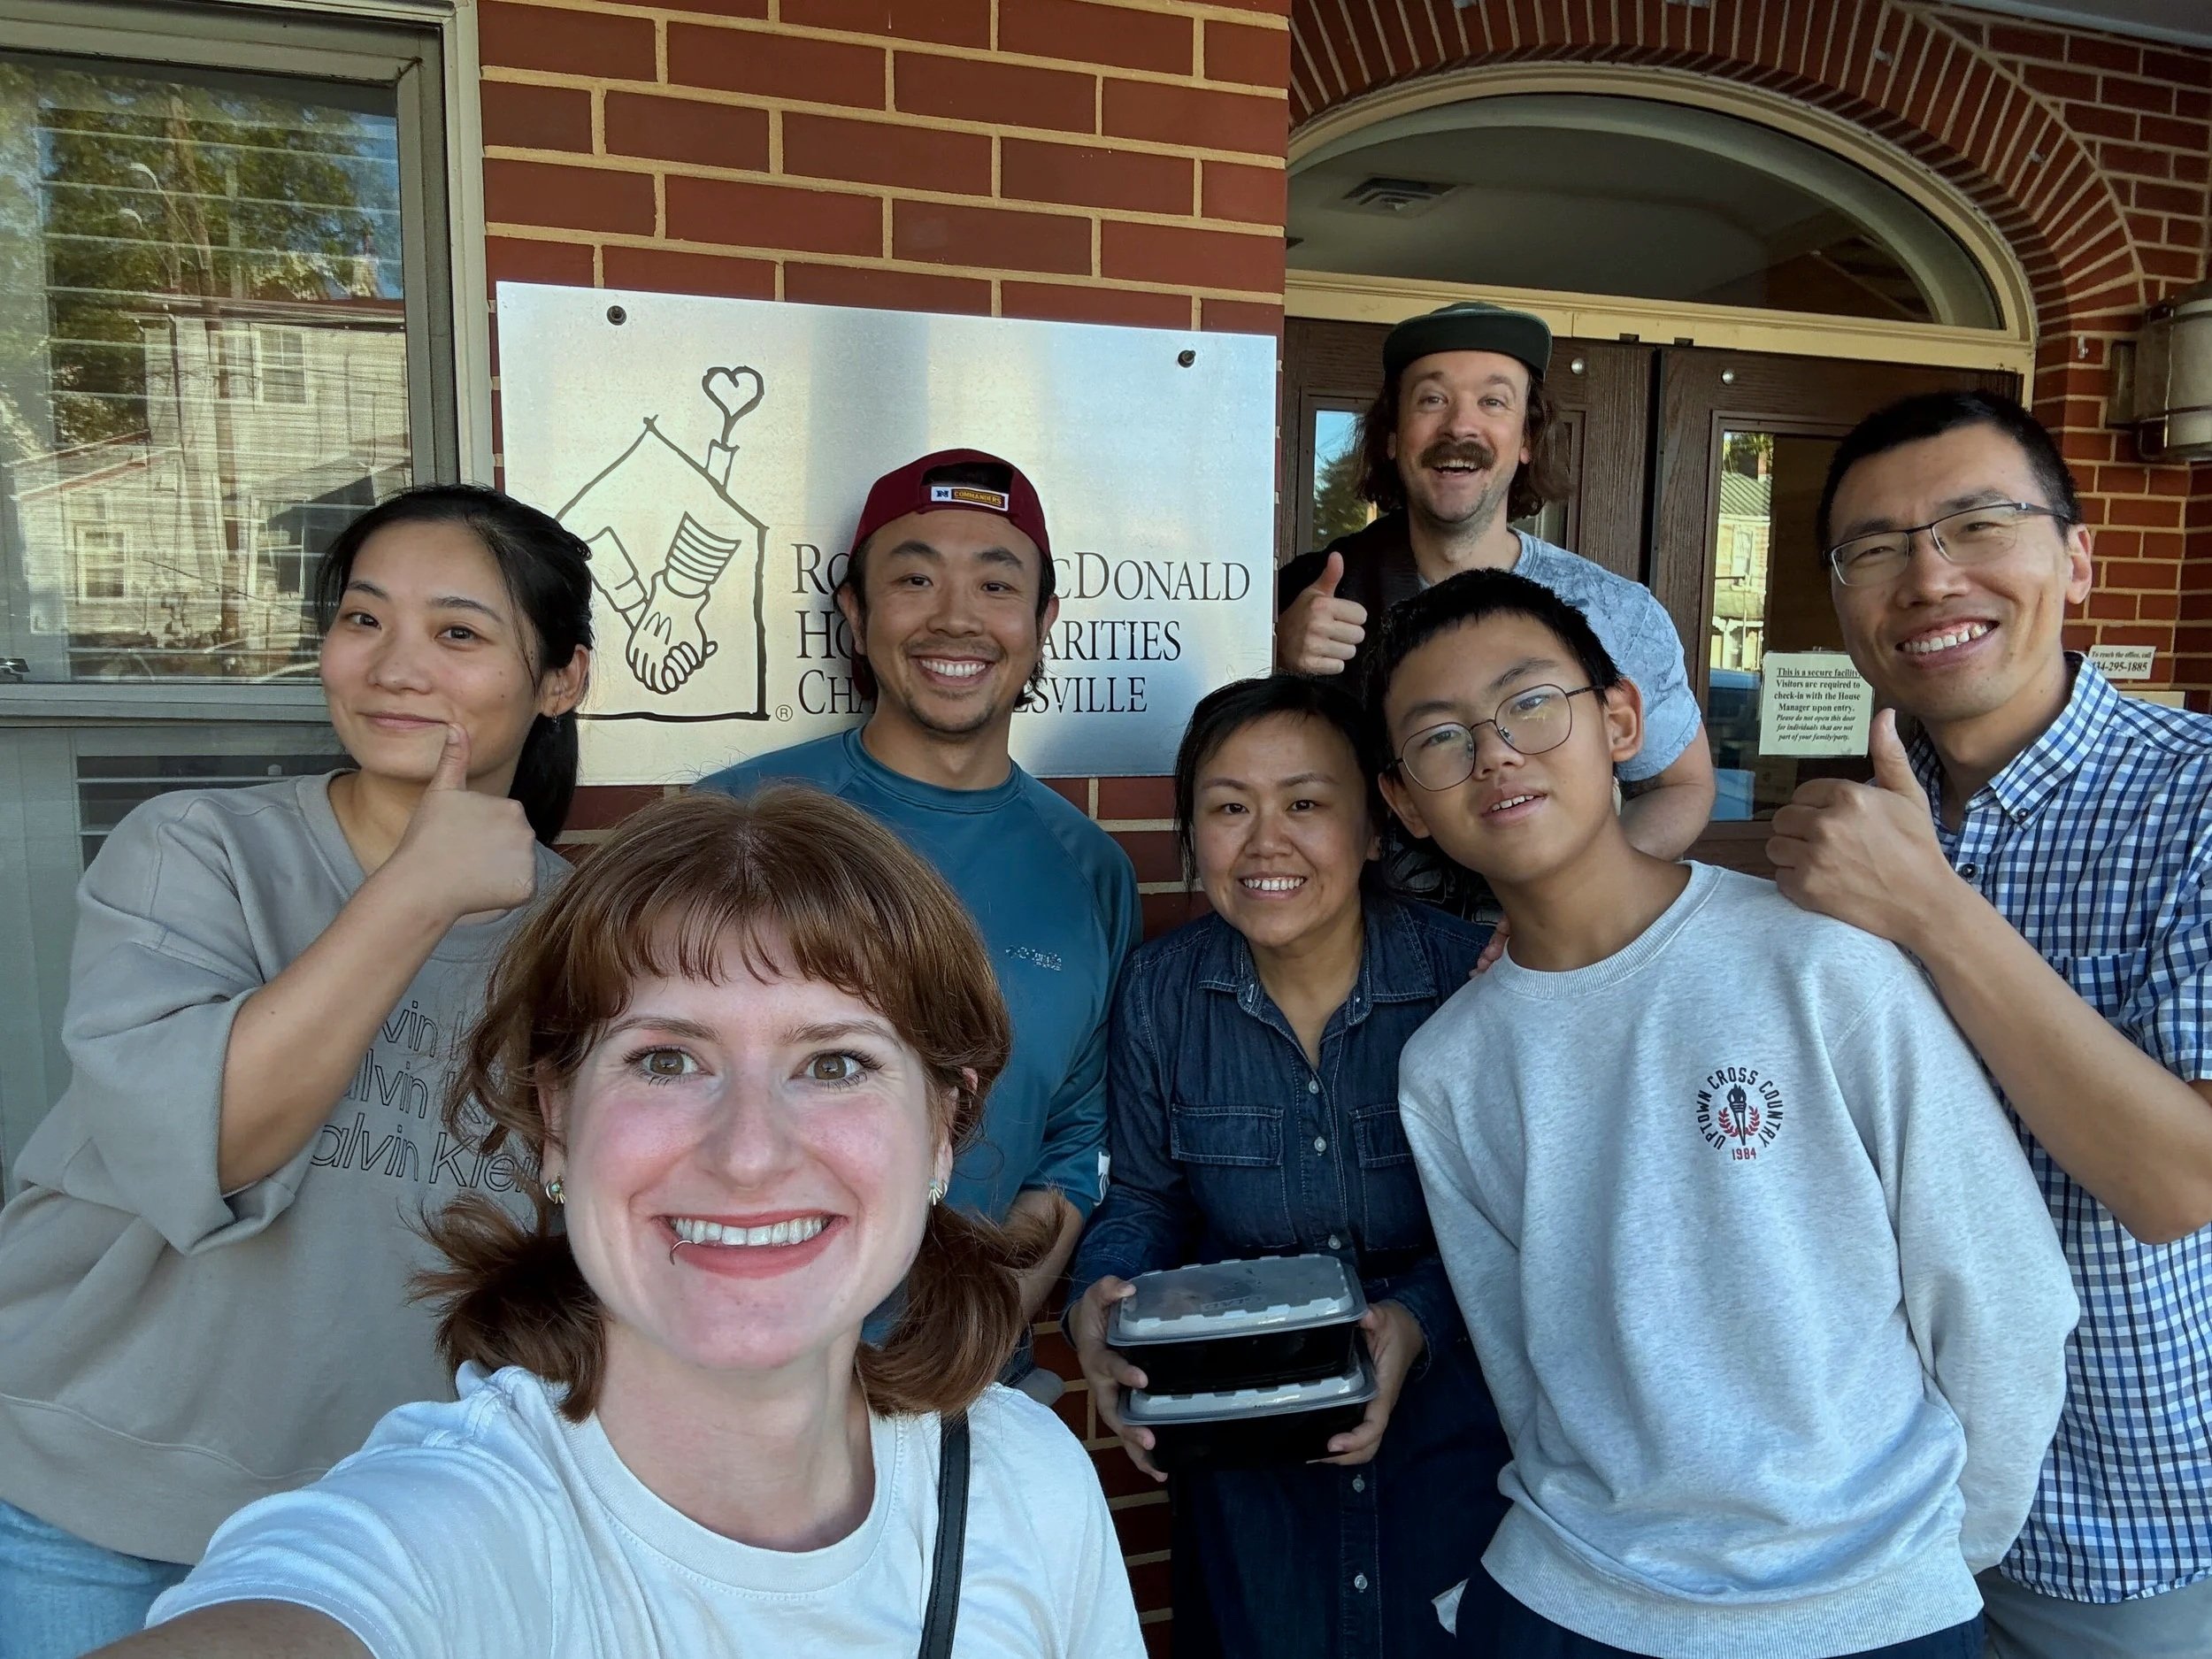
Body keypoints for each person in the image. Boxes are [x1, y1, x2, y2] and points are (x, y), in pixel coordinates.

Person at [101, 788, 1146, 1658]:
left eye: (835, 1064)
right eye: (666, 1060)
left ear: (942, 1130)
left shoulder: (1024, 1478)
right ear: (557, 1122)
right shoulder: (441, 1532)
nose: (748, 1152)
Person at [1376, 569, 2078, 1657]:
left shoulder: (1820, 960)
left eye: (1530, 704)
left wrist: (1937, 1553)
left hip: (1867, 1604)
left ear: (1620, 719)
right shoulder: (1448, 1066)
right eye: (1441, 737)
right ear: (1404, 802)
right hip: (1573, 1597)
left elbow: (1997, 1287)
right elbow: (1517, 1357)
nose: (1496, 753)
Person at [0, 485, 592, 1659]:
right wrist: (419, 887)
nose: (393, 667)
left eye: (458, 632)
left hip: (392, 1521)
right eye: (363, 619)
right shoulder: (196, 849)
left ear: (559, 680)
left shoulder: (585, 934)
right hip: (97, 1496)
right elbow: (215, 1142)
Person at [1767, 390, 2212, 1657]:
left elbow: (2178, 1180)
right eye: (1874, 547)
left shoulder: (2193, 805)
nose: (1928, 577)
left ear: (2077, 557)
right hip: (1867, 1499)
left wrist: (1930, 909)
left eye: (1977, 524)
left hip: (2115, 1518)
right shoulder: (1853, 816)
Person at [1065, 674, 1510, 1659]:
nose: (1266, 843)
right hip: (1248, 1460)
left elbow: (1517, 1227)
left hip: (1450, 1452)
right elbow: (1143, 1198)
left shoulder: (1467, 981)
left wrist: (1414, 1322)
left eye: (1305, 804)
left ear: (1375, 825)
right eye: (1230, 809)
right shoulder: (1162, 992)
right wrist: (1098, 1298)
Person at [697, 449, 1139, 1330]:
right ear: (855, 614)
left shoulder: (1091, 869)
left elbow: (1072, 1143)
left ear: (1043, 620)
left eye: (996, 585)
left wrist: (962, 1345)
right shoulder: (729, 823)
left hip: (968, 1379)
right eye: (915, 579)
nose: (956, 618)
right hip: (734, 1361)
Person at [1275, 300, 1714, 867]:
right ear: (1392, 436)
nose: (1460, 425)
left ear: (1526, 437)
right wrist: (1275, 656)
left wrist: (1575, 890)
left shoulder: (1618, 612)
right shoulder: (1309, 596)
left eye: (1493, 401)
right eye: (1432, 399)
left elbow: (1681, 787)